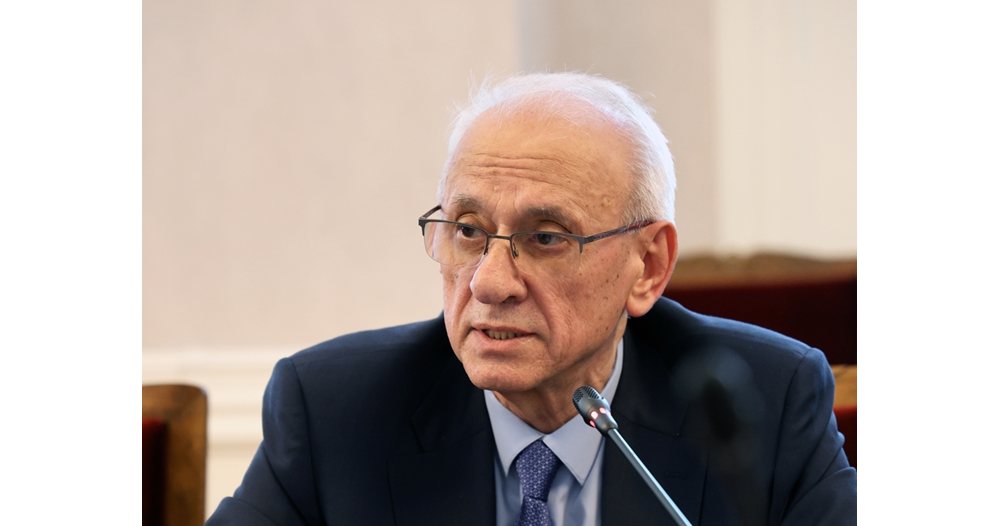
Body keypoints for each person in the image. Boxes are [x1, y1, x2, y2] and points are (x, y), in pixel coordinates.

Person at [206, 72, 857, 526]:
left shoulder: (763, 405)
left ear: (648, 267)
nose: (489, 282)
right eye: (467, 231)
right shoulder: (336, 409)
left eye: (545, 237)